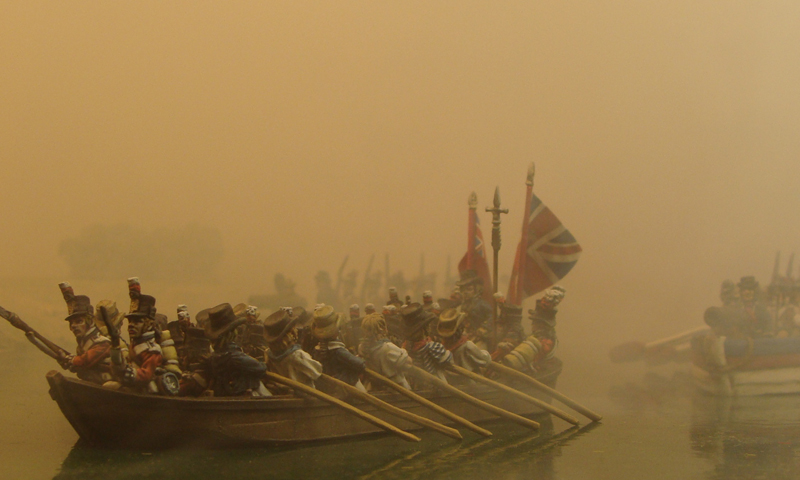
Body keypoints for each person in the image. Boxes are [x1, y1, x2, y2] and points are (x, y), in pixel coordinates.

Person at [196, 303, 271, 397]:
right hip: (238, 393)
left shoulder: (215, 356)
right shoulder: (235, 356)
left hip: (222, 393)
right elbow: (260, 368)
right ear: (232, 332)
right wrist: (263, 362)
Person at [312, 305, 367, 392]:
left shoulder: (317, 350)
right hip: (342, 383)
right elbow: (359, 364)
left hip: (327, 384)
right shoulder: (338, 350)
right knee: (363, 392)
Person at [61, 295, 114, 384]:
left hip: (107, 383)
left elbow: (85, 361)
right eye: (71, 323)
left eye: (79, 321)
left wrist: (70, 360)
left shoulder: (102, 342)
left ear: (90, 321)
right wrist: (69, 364)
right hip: (93, 383)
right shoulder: (82, 344)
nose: (73, 326)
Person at [265, 307, 323, 389]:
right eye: (294, 327)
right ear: (290, 334)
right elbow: (316, 371)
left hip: (281, 389)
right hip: (302, 391)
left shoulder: (268, 353)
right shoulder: (297, 355)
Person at [358, 313, 412, 389]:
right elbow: (408, 363)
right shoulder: (388, 347)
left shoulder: (361, 347)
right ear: (383, 328)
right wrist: (403, 350)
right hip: (396, 387)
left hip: (374, 387)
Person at [401, 302, 452, 382]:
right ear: (425, 328)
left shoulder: (407, 347)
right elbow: (448, 360)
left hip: (417, 383)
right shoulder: (433, 347)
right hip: (436, 383)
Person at [437, 308, 490, 373]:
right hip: (468, 378)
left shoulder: (442, 347)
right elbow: (485, 360)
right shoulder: (468, 346)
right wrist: (485, 353)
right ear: (460, 328)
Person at [455, 270, 493, 351]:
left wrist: (484, 328)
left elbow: (492, 317)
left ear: (476, 290)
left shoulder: (482, 304)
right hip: (464, 337)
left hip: (479, 339)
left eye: (469, 289)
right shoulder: (463, 305)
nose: (465, 292)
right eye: (463, 290)